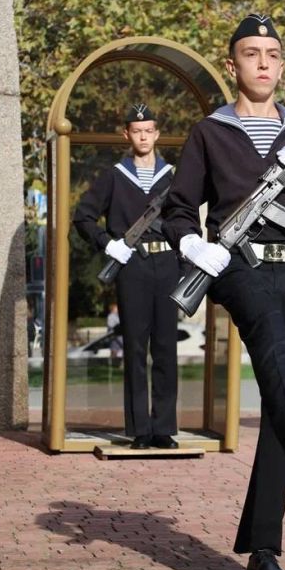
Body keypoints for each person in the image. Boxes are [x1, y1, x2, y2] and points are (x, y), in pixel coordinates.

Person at [161, 13, 285, 570]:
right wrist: (192, 245)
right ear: (232, 63)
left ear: (282, 66)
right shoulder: (209, 132)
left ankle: (263, 549)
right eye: (252, 53)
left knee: (282, 398)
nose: (263, 63)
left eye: (273, 54)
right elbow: (179, 207)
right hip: (238, 264)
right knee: (268, 337)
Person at [73, 103, 180, 451]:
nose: (143, 137)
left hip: (167, 265)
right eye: (137, 131)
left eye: (149, 130)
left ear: (157, 134)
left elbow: (186, 218)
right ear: (126, 135)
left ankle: (164, 428)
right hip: (132, 265)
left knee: (166, 347)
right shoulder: (114, 176)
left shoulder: (173, 177)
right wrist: (108, 244)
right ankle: (140, 430)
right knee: (135, 347)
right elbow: (83, 217)